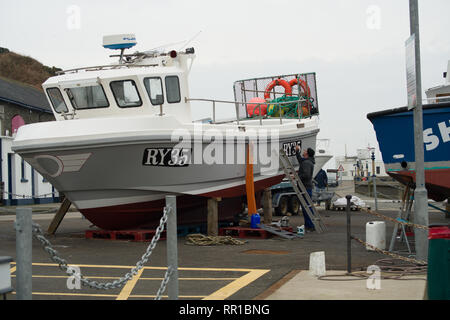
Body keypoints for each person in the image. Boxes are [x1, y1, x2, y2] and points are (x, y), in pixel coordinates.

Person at [295, 145, 316, 232]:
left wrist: (297, 177)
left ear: (307, 154)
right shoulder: (307, 161)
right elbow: (300, 160)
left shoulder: (307, 163)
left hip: (305, 187)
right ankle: (308, 225)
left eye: (305, 150)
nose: (303, 151)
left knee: (306, 207)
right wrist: (297, 152)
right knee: (306, 207)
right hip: (306, 187)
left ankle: (310, 226)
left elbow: (306, 175)